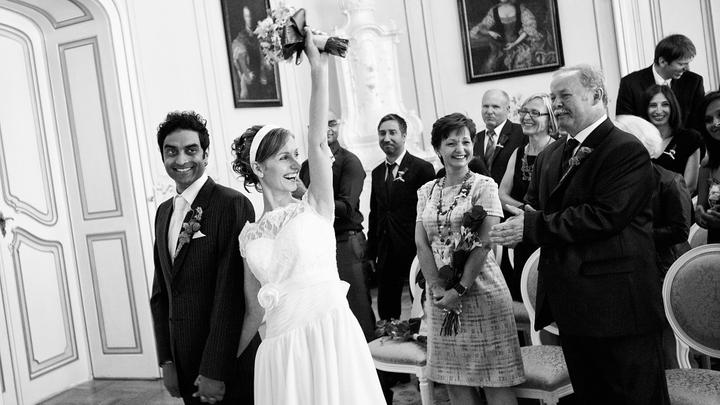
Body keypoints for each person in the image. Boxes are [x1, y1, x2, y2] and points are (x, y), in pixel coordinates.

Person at [490, 65, 670, 404]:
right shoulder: (551, 154)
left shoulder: (624, 149)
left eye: (565, 96)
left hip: (618, 305)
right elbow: (536, 208)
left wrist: (532, 225)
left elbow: (604, 216)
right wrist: (512, 225)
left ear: (596, 95)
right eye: (553, 97)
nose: (556, 104)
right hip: (571, 305)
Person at [232, 30, 385, 404]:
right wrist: (223, 364)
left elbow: (318, 141)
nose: (294, 164)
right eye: (283, 157)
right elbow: (253, 308)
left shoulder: (316, 205)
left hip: (328, 338)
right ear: (258, 167)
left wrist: (319, 68)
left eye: (295, 155)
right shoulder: (249, 236)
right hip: (281, 353)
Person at [150, 111, 259, 404]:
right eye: (171, 151)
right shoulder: (163, 212)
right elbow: (161, 292)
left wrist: (215, 369)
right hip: (184, 363)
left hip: (227, 364)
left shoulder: (232, 204)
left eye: (191, 150)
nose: (181, 159)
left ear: (206, 154)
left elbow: (231, 294)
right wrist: (167, 361)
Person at [416, 112, 524, 405]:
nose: (460, 149)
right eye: (451, 143)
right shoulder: (426, 191)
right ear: (438, 148)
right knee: (454, 378)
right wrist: (438, 288)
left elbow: (484, 242)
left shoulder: (485, 185)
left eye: (465, 142)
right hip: (441, 296)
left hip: (481, 291)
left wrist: (459, 288)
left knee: (495, 378)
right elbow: (421, 242)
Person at [615, 114, 692, 369]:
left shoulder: (669, 180)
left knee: (665, 345)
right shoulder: (615, 183)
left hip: (664, 267)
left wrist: (635, 234)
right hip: (628, 267)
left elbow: (679, 231)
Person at [291, 111, 376, 341]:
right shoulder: (306, 166)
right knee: (329, 311)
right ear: (311, 129)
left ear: (339, 126)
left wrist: (306, 194)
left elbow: (347, 208)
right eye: (321, 124)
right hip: (318, 244)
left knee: (357, 308)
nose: (327, 128)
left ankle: (373, 361)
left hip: (346, 241)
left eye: (332, 123)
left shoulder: (349, 162)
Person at [367, 113, 435, 322]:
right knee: (387, 308)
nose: (386, 138)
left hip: (414, 246)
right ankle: (391, 334)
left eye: (392, 132)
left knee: (420, 302)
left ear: (404, 136)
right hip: (386, 249)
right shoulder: (377, 172)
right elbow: (375, 212)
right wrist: (372, 251)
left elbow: (430, 211)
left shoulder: (422, 168)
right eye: (382, 133)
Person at [497, 93, 557, 299]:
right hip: (524, 232)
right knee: (522, 295)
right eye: (524, 111)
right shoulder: (518, 152)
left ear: (550, 119)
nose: (526, 117)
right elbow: (501, 194)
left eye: (535, 113)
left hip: (549, 233)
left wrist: (534, 216)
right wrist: (524, 210)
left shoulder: (558, 151)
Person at [617, 34, 705, 134]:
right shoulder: (630, 83)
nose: (687, 69)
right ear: (662, 61)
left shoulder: (694, 82)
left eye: (688, 63)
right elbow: (625, 126)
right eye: (681, 64)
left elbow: (698, 124)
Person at [642, 84, 702, 194]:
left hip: (678, 203)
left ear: (672, 107)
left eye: (665, 104)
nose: (659, 110)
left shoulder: (689, 138)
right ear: (645, 109)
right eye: (653, 105)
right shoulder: (638, 143)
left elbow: (689, 187)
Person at [469, 0, 543, 73]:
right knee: (490, 66)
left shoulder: (521, 9)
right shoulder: (494, 11)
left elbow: (528, 28)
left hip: (518, 45)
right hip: (500, 46)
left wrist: (514, 43)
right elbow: (483, 26)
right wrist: (490, 32)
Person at [474, 89, 525, 186]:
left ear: (508, 109)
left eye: (495, 107)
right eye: (485, 106)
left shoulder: (521, 133)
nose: (489, 111)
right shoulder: (475, 139)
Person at [231, 6, 274, 100]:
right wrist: (246, 73)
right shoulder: (240, 38)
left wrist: (266, 65)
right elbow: (239, 59)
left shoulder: (260, 35)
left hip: (262, 78)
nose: (249, 19)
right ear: (243, 18)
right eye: (247, 16)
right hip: (250, 80)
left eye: (250, 16)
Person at [696, 91, 720, 243]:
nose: (715, 123)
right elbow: (701, 207)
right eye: (708, 120)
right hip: (715, 247)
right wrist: (700, 215)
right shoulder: (707, 165)